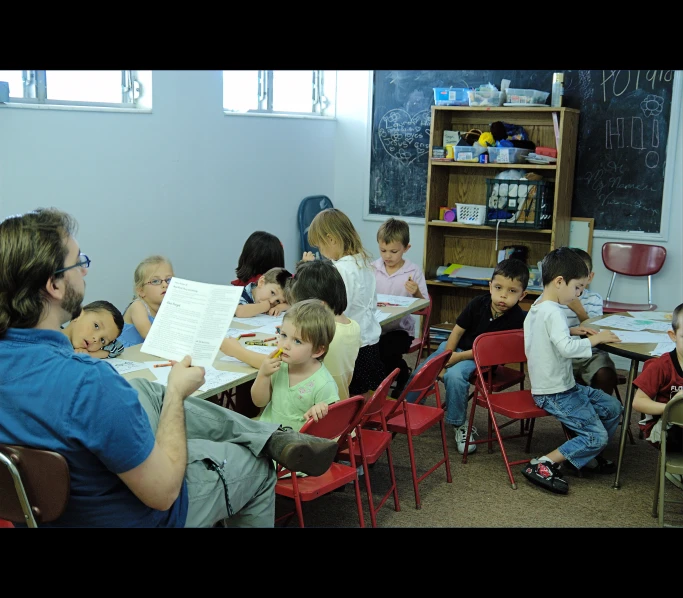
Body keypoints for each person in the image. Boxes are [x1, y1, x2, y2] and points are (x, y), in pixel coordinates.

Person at [0, 208, 339, 527]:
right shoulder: (89, 384)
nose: (85, 270)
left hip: (57, 513)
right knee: (257, 467)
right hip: (138, 514)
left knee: (144, 388)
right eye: (78, 263)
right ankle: (267, 444)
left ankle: (270, 436)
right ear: (54, 285)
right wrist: (176, 394)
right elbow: (163, 493)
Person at [520, 247, 623, 495]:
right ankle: (543, 463)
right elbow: (566, 349)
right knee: (598, 437)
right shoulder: (553, 312)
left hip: (564, 386)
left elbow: (544, 339)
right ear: (559, 282)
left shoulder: (537, 308)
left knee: (613, 408)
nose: (579, 293)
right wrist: (595, 340)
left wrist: (573, 331)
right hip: (555, 392)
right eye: (577, 287)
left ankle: (585, 456)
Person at [405, 258, 530, 455]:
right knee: (424, 369)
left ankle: (460, 425)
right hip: (455, 348)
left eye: (512, 291)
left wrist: (457, 359)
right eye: (498, 288)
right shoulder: (477, 304)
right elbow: (456, 332)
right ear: (490, 287)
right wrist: (448, 356)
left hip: (481, 358)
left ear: (523, 295)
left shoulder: (518, 318)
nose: (503, 296)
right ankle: (406, 407)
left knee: (454, 377)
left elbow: (491, 351)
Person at [303, 207, 384, 398]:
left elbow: (331, 310)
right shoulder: (365, 264)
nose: (321, 252)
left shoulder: (339, 270)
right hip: (370, 342)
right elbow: (372, 304)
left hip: (349, 347)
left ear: (331, 239)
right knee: (363, 397)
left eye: (320, 247)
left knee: (345, 395)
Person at [534, 247, 618, 396]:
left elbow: (594, 330)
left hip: (590, 354)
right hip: (562, 354)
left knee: (606, 372)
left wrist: (579, 310)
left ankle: (599, 410)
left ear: (589, 277)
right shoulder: (545, 302)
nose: (577, 291)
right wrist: (570, 330)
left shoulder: (594, 299)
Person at [251, 299, 339, 431]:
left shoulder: (324, 384)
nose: (285, 345)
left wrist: (320, 412)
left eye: (297, 341)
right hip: (269, 433)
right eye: (284, 335)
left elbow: (330, 429)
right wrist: (263, 375)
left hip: (297, 446)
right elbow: (259, 402)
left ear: (317, 350)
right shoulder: (279, 365)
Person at [285, 260, 361, 400]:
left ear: (319, 306)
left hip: (315, 408)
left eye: (300, 307)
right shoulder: (353, 326)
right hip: (339, 404)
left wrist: (236, 350)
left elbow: (278, 364)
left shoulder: (326, 336)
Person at [372, 217, 429, 398]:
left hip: (401, 330)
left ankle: (397, 375)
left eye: (394, 251)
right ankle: (391, 377)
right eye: (383, 250)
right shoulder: (372, 268)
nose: (387, 256)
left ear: (406, 248)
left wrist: (417, 293)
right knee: (367, 350)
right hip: (374, 327)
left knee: (384, 350)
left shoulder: (413, 271)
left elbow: (424, 304)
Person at [632, 302, 683, 489]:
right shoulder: (661, 366)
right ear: (673, 336)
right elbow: (638, 402)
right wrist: (674, 408)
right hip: (665, 429)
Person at [118, 255, 173, 348]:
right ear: (141, 291)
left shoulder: (168, 308)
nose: (165, 284)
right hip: (126, 355)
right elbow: (150, 336)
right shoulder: (138, 306)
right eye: (155, 281)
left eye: (169, 280)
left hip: (148, 354)